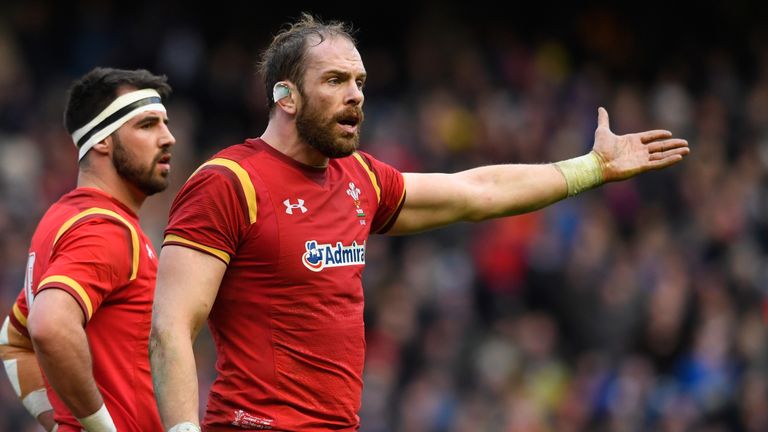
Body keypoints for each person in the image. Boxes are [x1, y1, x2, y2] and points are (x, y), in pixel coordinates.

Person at [149, 13, 689, 432]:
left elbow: (477, 191)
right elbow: (171, 328)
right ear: (285, 97)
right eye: (335, 80)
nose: (355, 95)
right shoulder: (228, 182)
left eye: (359, 82)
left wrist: (591, 167)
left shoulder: (359, 178)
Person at [0, 67, 176, 431]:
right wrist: (98, 428)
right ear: (101, 140)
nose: (169, 138)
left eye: (164, 123)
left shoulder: (64, 218)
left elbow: (13, 339)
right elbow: (49, 326)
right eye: (147, 125)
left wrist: (62, 424)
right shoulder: (105, 229)